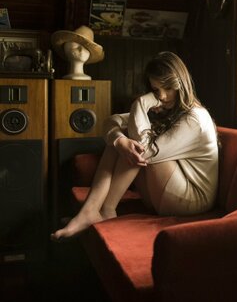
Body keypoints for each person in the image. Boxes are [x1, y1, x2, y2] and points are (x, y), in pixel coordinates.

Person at [51, 51, 219, 241]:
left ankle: (106, 209)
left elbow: (145, 151)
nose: (162, 96)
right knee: (124, 142)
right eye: (155, 90)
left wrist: (141, 102)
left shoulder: (195, 118)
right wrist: (118, 140)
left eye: (168, 88)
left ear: (181, 85)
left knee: (136, 146)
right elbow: (111, 121)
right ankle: (90, 212)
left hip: (191, 199)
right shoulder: (166, 109)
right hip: (165, 192)